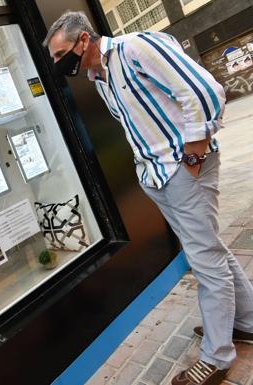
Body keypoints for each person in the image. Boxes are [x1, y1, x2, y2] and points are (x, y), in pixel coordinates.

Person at [43, 10, 253, 385]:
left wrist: (192, 157)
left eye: (61, 55)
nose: (59, 64)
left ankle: (218, 356)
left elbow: (205, 92)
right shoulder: (99, 77)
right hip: (157, 176)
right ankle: (247, 321)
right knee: (207, 249)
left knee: (205, 260)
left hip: (185, 169)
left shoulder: (136, 47)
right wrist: (149, 173)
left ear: (84, 41)